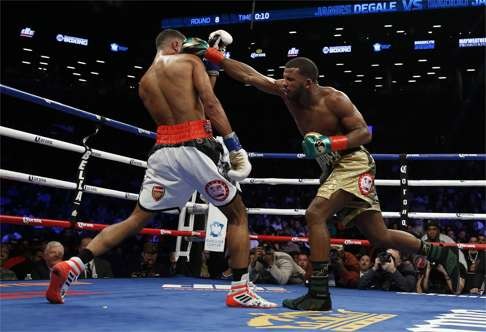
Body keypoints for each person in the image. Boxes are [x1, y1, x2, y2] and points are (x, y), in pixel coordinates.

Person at [199, 47, 460, 310]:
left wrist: (329, 142)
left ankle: (319, 293)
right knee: (379, 236)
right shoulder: (285, 92)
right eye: (283, 77)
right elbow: (249, 75)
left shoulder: (335, 99)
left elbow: (363, 133)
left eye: (291, 79)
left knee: (315, 214)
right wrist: (216, 57)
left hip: (353, 162)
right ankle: (440, 253)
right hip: (332, 168)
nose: (284, 83)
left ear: (309, 82)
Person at [45, 29, 276, 308]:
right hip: (195, 147)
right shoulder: (189, 62)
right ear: (177, 44)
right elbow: (209, 106)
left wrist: (213, 67)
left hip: (163, 152)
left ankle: (74, 264)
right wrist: (235, 145)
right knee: (237, 214)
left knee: (136, 219)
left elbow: (192, 104)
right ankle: (240, 289)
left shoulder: (144, 81)